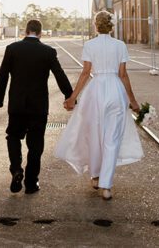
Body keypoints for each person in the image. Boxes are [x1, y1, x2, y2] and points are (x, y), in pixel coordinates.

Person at [54, 11, 143, 200]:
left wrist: (72, 97)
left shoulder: (90, 45)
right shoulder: (120, 45)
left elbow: (86, 73)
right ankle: (106, 186)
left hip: (95, 92)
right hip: (115, 91)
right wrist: (133, 101)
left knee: (94, 135)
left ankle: (95, 176)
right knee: (112, 139)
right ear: (112, 26)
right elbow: (123, 75)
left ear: (96, 25)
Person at [0, 19, 74, 195]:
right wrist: (70, 96)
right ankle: (31, 182)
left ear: (25, 31)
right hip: (38, 106)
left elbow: (3, 76)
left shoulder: (12, 49)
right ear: (40, 33)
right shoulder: (48, 52)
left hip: (17, 105)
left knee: (13, 136)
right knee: (36, 144)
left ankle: (16, 169)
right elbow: (60, 75)